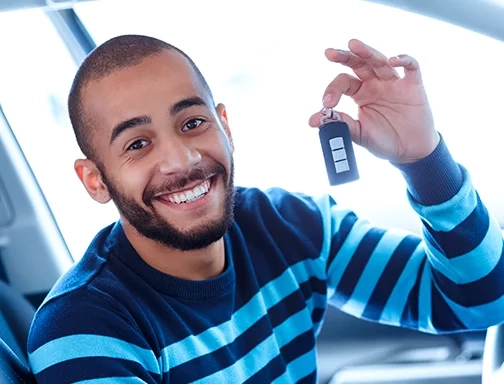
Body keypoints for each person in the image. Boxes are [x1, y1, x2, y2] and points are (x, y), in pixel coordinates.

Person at [27, 34, 503, 383]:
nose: (182, 160)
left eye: (192, 122)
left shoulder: (290, 226)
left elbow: (479, 301)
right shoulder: (83, 331)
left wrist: (423, 159)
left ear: (225, 126)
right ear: (95, 180)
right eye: (137, 144)